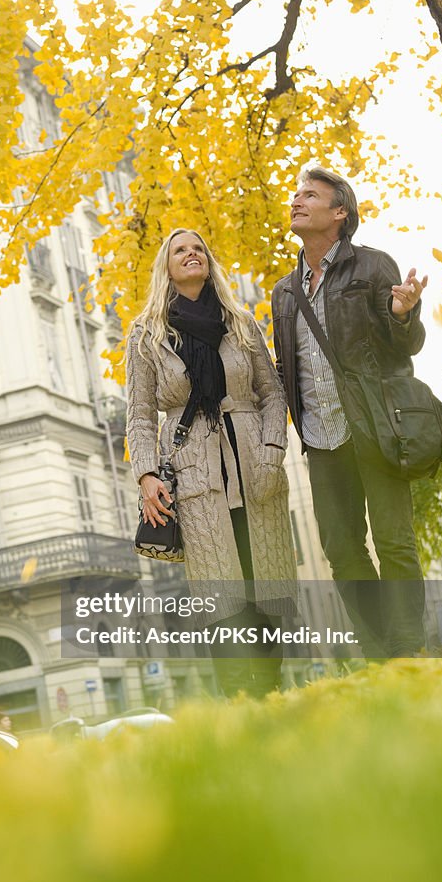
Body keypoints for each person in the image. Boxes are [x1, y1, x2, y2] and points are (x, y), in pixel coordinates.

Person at [126, 229, 297, 696]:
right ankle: (242, 708)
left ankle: (274, 699)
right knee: (223, 605)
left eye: (199, 247)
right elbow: (139, 414)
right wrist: (145, 475)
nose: (192, 254)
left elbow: (271, 391)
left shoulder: (240, 323)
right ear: (167, 267)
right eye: (180, 249)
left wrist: (271, 451)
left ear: (209, 261)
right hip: (197, 481)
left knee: (266, 596)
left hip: (254, 473)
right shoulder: (147, 335)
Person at [271, 165, 428, 657]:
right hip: (320, 439)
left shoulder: (373, 266)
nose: (297, 201)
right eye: (296, 195)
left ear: (340, 212)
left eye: (310, 195)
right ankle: (379, 651)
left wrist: (403, 316)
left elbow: (408, 345)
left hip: (376, 426)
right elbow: (286, 368)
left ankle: (407, 649)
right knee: (341, 551)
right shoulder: (283, 292)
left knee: (394, 540)